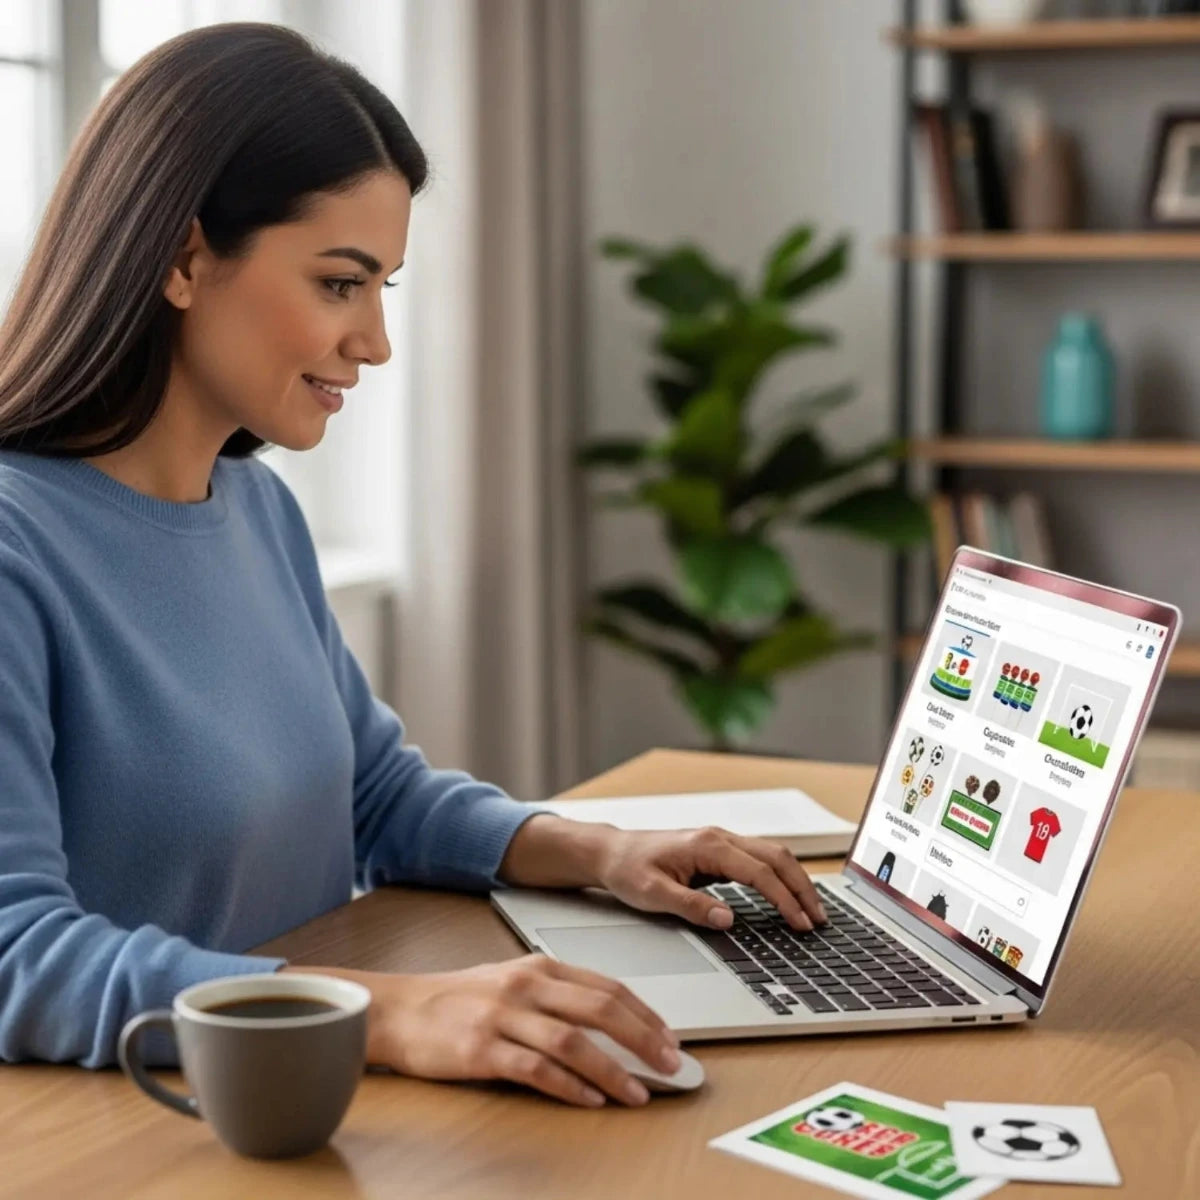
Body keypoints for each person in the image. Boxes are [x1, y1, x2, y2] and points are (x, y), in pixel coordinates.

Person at [0, 22, 825, 1111]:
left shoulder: (256, 511)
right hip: (138, 1129)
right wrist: (393, 1012)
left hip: (302, 1108)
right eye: (341, 284)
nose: (376, 341)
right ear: (186, 258)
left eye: (383, 285)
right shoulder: (18, 547)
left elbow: (374, 795)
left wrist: (604, 851)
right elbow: (18, 959)